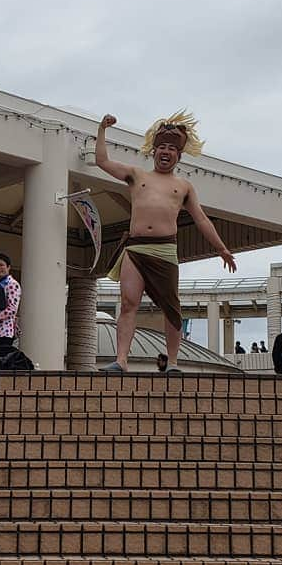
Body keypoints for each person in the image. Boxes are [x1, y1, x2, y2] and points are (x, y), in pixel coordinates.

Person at [96, 112, 236, 373]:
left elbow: (202, 220)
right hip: (135, 248)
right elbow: (102, 160)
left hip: (165, 250)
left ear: (179, 156)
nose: (166, 152)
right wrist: (102, 129)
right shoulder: (137, 175)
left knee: (172, 308)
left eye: (172, 148)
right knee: (128, 303)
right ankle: (122, 360)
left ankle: (172, 362)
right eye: (162, 147)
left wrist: (222, 248)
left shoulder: (183, 186)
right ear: (153, 151)